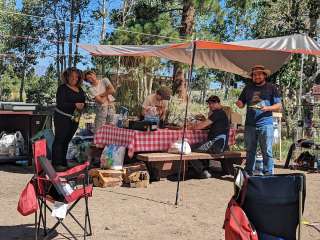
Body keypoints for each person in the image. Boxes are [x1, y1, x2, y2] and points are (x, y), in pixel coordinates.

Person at [236, 65, 281, 175]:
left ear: (264, 75)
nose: (257, 76)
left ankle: (268, 174)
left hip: (266, 124)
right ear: (252, 76)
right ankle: (248, 174)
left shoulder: (271, 87)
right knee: (250, 151)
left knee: (267, 151)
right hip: (250, 124)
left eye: (260, 74)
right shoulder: (248, 88)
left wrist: (267, 108)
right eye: (255, 75)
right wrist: (239, 104)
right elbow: (241, 103)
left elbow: (278, 105)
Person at [52, 67, 86, 172]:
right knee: (59, 140)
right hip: (62, 118)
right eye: (72, 76)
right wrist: (75, 104)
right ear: (67, 77)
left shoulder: (80, 89)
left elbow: (84, 102)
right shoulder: (62, 88)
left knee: (67, 141)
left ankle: (63, 162)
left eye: (76, 77)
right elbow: (61, 104)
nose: (74, 78)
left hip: (75, 118)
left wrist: (83, 105)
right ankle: (56, 164)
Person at [188, 95, 230, 178]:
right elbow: (209, 125)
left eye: (212, 103)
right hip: (222, 146)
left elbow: (201, 126)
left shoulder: (217, 113)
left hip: (214, 145)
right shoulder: (222, 113)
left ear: (218, 103)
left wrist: (191, 127)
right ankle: (224, 169)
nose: (210, 105)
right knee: (197, 146)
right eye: (209, 103)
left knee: (187, 149)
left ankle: (202, 171)